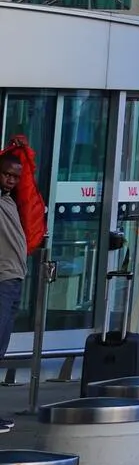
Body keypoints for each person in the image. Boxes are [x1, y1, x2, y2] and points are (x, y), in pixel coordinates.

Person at [0, 140, 31, 360]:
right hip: (3, 277)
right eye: (6, 174)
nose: (11, 180)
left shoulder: (9, 200)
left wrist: (19, 151)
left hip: (15, 277)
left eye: (15, 177)